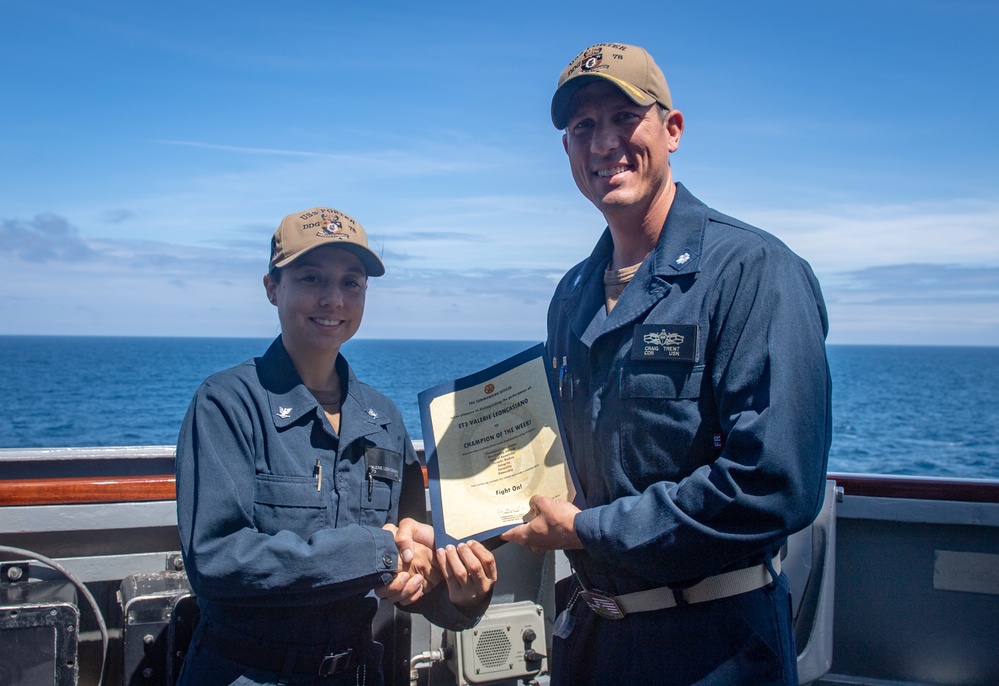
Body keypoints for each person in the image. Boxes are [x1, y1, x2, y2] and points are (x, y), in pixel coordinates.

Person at [501, 43, 832, 685]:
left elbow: (773, 484)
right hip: (591, 639)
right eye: (582, 128)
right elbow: (552, 454)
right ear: (567, 151)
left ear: (672, 130)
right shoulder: (571, 296)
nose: (604, 144)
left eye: (625, 117)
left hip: (712, 646)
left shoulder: (753, 272)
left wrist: (591, 530)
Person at [175, 206, 497, 686]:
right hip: (247, 673)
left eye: (352, 283)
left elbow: (411, 562)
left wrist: (462, 592)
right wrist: (375, 551)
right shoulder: (226, 403)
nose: (333, 299)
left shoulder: (382, 418)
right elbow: (217, 560)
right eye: (311, 278)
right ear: (272, 288)